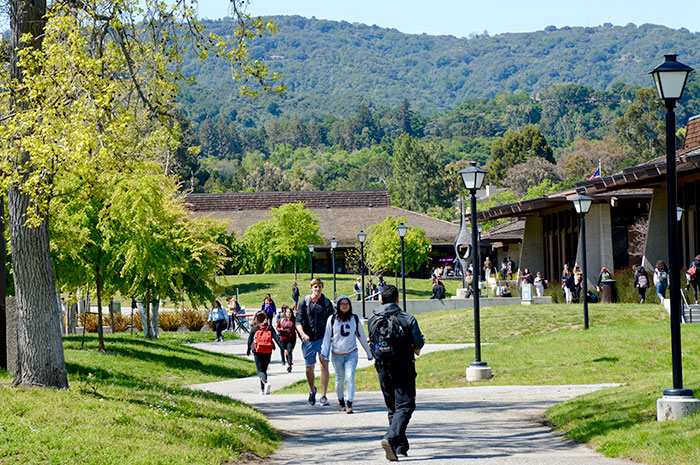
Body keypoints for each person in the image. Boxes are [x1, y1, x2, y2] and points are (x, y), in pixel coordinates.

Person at [369, 284, 424, 461]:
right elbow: (418, 343)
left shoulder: (373, 319)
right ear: (397, 299)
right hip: (403, 367)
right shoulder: (407, 318)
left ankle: (400, 447)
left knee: (393, 407)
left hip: (383, 368)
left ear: (381, 299)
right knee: (406, 406)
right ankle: (390, 438)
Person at [321, 295, 373, 414]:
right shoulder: (332, 319)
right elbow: (327, 338)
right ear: (338, 306)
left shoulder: (354, 318)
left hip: (351, 354)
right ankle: (341, 401)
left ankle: (349, 403)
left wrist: (368, 353)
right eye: (342, 304)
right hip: (337, 354)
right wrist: (324, 353)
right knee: (339, 379)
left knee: (350, 377)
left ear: (350, 306)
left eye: (347, 304)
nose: (344, 306)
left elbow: (362, 336)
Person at [296, 278, 335, 406]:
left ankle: (323, 395)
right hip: (308, 340)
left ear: (322, 288)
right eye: (315, 287)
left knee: (324, 364)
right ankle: (312, 390)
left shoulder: (326, 303)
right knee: (309, 367)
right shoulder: (305, 302)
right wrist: (302, 334)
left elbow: (333, 320)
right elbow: (298, 322)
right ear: (311, 288)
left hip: (323, 339)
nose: (317, 289)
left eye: (319, 286)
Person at [246, 311, 283, 395]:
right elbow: (277, 338)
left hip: (257, 351)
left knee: (260, 371)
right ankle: (263, 389)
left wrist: (248, 350)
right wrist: (283, 348)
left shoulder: (255, 328)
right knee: (264, 370)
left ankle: (265, 384)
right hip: (268, 350)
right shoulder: (269, 327)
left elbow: (249, 340)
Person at [276, 305, 297, 372]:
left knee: (290, 351)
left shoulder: (294, 320)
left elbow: (298, 328)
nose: (289, 313)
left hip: (291, 338)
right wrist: (281, 329)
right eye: (287, 312)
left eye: (290, 312)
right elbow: (277, 328)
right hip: (283, 338)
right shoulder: (281, 320)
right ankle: (288, 361)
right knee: (286, 352)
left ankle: (289, 365)